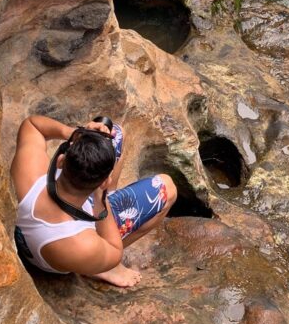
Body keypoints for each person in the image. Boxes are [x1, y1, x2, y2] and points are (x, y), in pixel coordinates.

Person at [11, 113, 177, 288]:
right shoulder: (83, 244)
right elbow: (115, 251)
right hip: (63, 253)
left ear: (61, 160)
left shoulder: (29, 176)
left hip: (39, 233)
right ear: (105, 182)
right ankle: (101, 268)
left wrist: (74, 133)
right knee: (167, 188)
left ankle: (102, 184)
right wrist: (101, 199)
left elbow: (32, 124)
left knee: (115, 133)